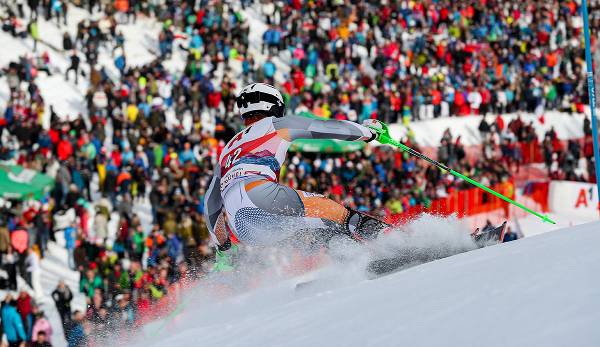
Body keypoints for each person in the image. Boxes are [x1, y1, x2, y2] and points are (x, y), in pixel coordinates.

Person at [204, 83, 389, 269]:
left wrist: (224, 249)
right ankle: (394, 241)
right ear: (273, 105)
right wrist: (370, 133)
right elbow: (326, 127)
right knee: (335, 213)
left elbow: (210, 204)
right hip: (259, 194)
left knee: (319, 228)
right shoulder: (275, 124)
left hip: (242, 227)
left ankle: (356, 264)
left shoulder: (227, 149)